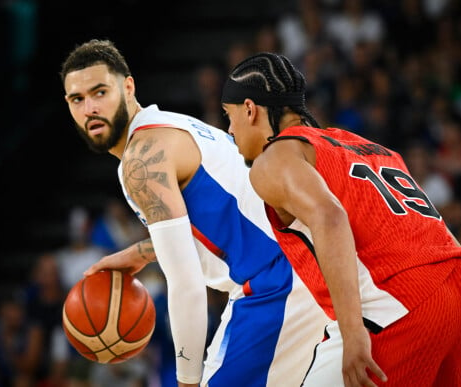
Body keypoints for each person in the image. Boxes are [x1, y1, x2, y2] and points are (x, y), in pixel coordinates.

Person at [59, 39, 329, 387]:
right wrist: (140, 253)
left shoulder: (141, 157)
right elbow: (225, 218)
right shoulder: (169, 125)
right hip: (300, 271)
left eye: (99, 92)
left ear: (128, 87)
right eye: (77, 99)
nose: (90, 108)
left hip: (277, 282)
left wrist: (186, 380)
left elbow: (186, 284)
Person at [220, 52, 461, 386]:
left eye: (229, 116)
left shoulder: (274, 159)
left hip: (399, 304)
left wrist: (352, 333)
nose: (229, 130)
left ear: (249, 110)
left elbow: (330, 217)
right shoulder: (366, 145)